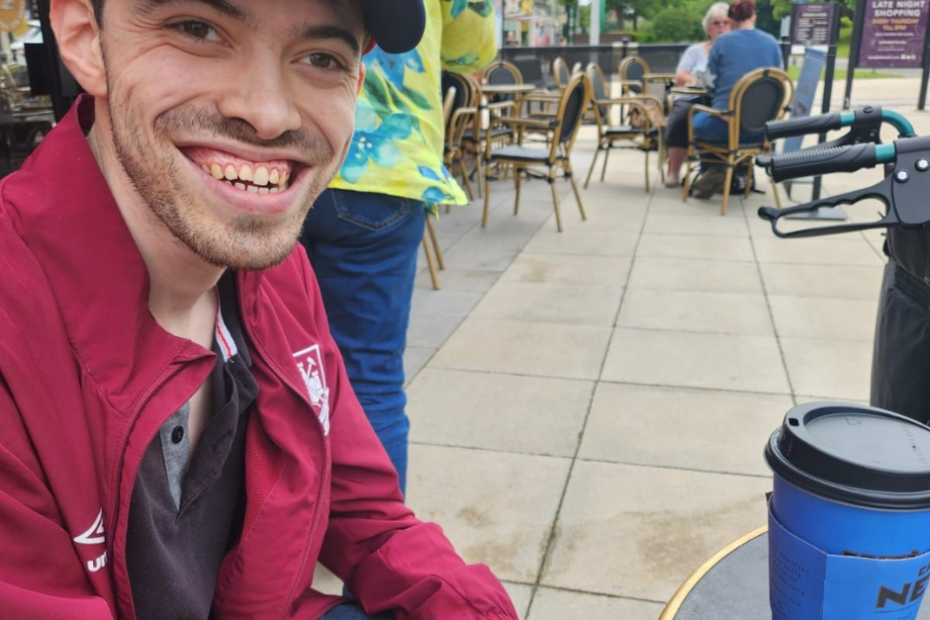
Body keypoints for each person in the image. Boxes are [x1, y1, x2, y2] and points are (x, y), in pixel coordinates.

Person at [0, 1, 520, 619]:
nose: (269, 114)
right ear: (87, 39)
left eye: (321, 58)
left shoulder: (281, 276)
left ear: (356, 85)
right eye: (198, 30)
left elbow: (368, 515)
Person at [299, 0, 496, 495]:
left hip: (276, 150)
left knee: (251, 363)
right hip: (386, 164)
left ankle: (266, 549)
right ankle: (372, 562)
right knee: (371, 377)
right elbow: (474, 52)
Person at [689, 0, 782, 199]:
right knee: (718, 120)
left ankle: (713, 170)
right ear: (754, 17)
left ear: (730, 20)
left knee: (697, 120)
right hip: (763, 131)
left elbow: (711, 85)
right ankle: (732, 170)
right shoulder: (772, 43)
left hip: (726, 128)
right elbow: (779, 83)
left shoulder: (722, 42)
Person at [663, 3, 731, 188]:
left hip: (720, 100)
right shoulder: (695, 51)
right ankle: (674, 171)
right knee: (681, 117)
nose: (722, 27)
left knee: (719, 118)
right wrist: (695, 81)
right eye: (717, 23)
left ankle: (713, 172)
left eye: (726, 22)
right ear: (708, 28)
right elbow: (680, 75)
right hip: (692, 97)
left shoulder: (734, 52)